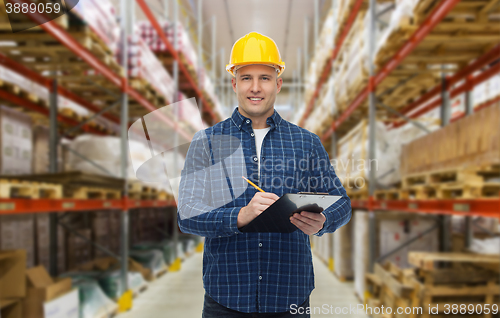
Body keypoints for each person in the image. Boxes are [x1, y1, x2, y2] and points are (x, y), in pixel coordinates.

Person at [177, 32, 351, 318]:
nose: (255, 87)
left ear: (278, 84)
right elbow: (186, 214)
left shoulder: (306, 142)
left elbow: (341, 202)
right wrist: (238, 217)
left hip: (288, 296)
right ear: (234, 83)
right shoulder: (207, 141)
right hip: (227, 297)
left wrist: (323, 221)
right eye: (246, 77)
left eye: (265, 78)